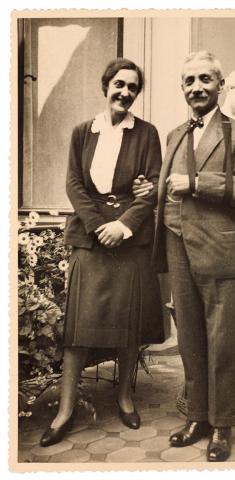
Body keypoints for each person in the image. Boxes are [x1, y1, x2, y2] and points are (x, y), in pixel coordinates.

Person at [40, 58, 165, 447]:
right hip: (90, 239)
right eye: (119, 84)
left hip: (131, 241)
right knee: (78, 330)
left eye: (132, 87)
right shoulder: (83, 132)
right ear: (105, 85)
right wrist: (99, 226)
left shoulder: (147, 134)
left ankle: (125, 398)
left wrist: (123, 225)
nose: (125, 92)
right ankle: (65, 409)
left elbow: (152, 187)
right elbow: (74, 184)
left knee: (128, 328)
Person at [149, 51, 235, 462]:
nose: (196, 87)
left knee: (222, 342)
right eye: (189, 81)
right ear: (182, 88)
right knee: (191, 339)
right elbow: (168, 186)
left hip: (221, 248)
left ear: (220, 85)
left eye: (204, 80)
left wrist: (196, 182)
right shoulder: (175, 133)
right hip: (178, 245)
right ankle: (197, 416)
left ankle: (222, 426)